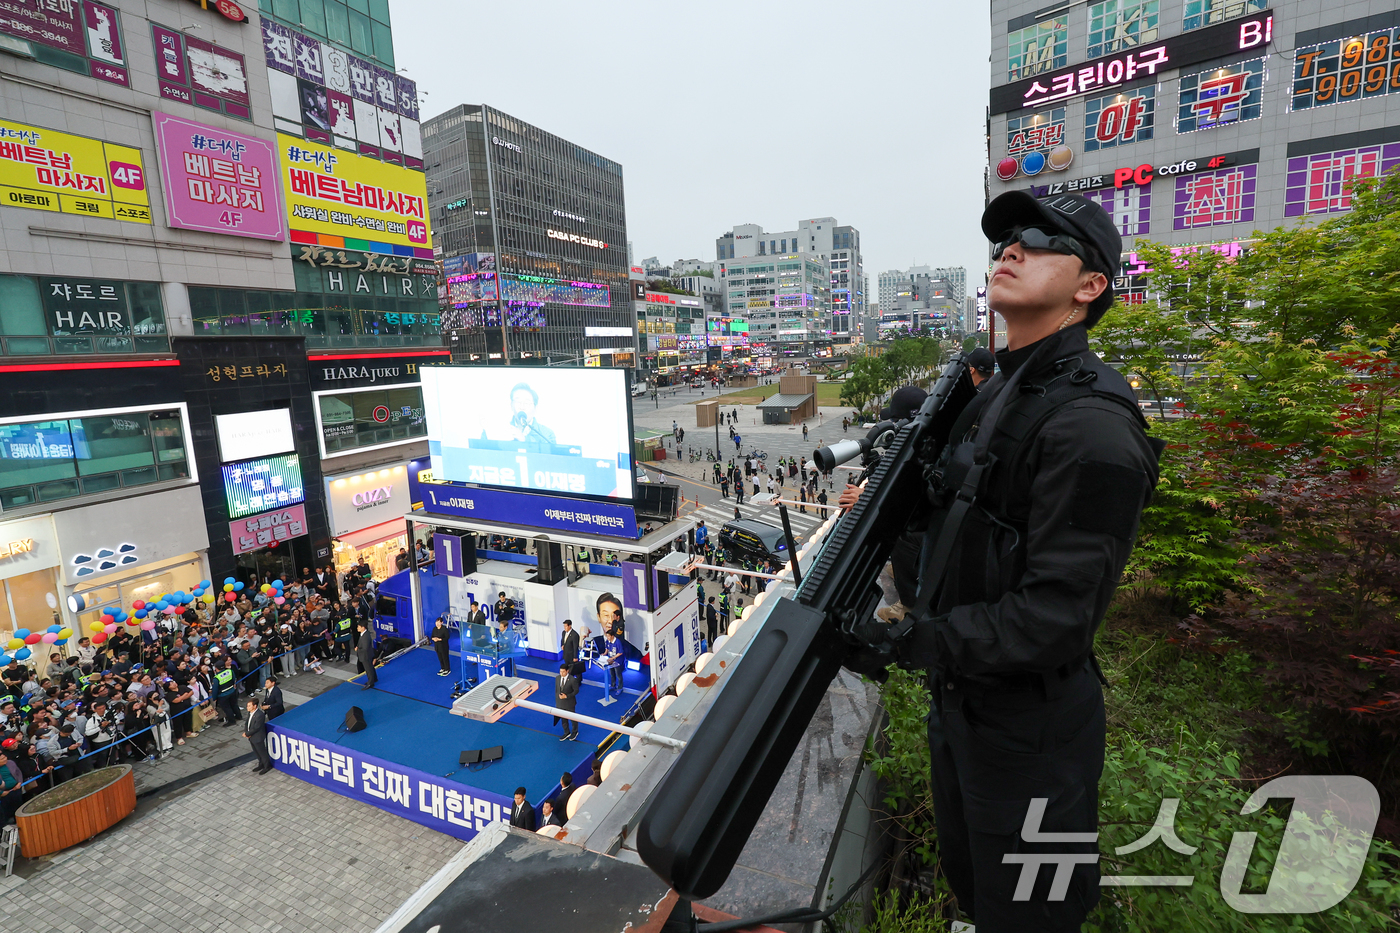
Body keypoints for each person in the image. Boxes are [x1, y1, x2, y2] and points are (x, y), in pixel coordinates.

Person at [844, 190, 1162, 933]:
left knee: (1030, 917)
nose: (1010, 248)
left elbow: (1057, 619)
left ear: (1090, 287)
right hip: (963, 710)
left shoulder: (1092, 426)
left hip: (1033, 737)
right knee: (978, 894)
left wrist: (907, 641)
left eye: (1041, 238)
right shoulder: (1000, 393)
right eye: (1006, 238)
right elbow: (961, 542)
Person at [505, 383, 556, 449]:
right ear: (511, 405)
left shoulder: (546, 434)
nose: (522, 407)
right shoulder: (502, 430)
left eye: (527, 403)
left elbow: (550, 457)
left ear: (535, 408)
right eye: (518, 402)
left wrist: (525, 440)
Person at [243, 698, 271, 775]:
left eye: (249, 706)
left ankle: (267, 766)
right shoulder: (250, 713)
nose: (247, 707)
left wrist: (247, 734)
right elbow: (247, 723)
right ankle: (261, 764)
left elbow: (257, 727)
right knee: (256, 751)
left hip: (257, 737)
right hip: (251, 737)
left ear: (255, 706)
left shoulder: (260, 715)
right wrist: (246, 732)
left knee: (262, 752)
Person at [554, 662, 579, 741]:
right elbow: (557, 690)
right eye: (560, 671)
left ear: (567, 671)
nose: (561, 673)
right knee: (563, 719)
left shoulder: (572, 680)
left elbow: (576, 691)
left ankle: (575, 731)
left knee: (572, 718)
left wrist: (567, 696)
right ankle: (566, 732)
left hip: (569, 703)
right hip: (560, 703)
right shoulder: (557, 678)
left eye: (563, 672)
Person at [355, 621, 376, 690]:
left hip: (366, 655)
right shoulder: (364, 634)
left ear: (363, 628)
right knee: (370, 667)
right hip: (367, 654)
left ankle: (370, 683)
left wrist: (357, 650)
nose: (357, 628)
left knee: (368, 669)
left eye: (358, 627)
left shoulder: (365, 636)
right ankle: (374, 678)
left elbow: (365, 648)